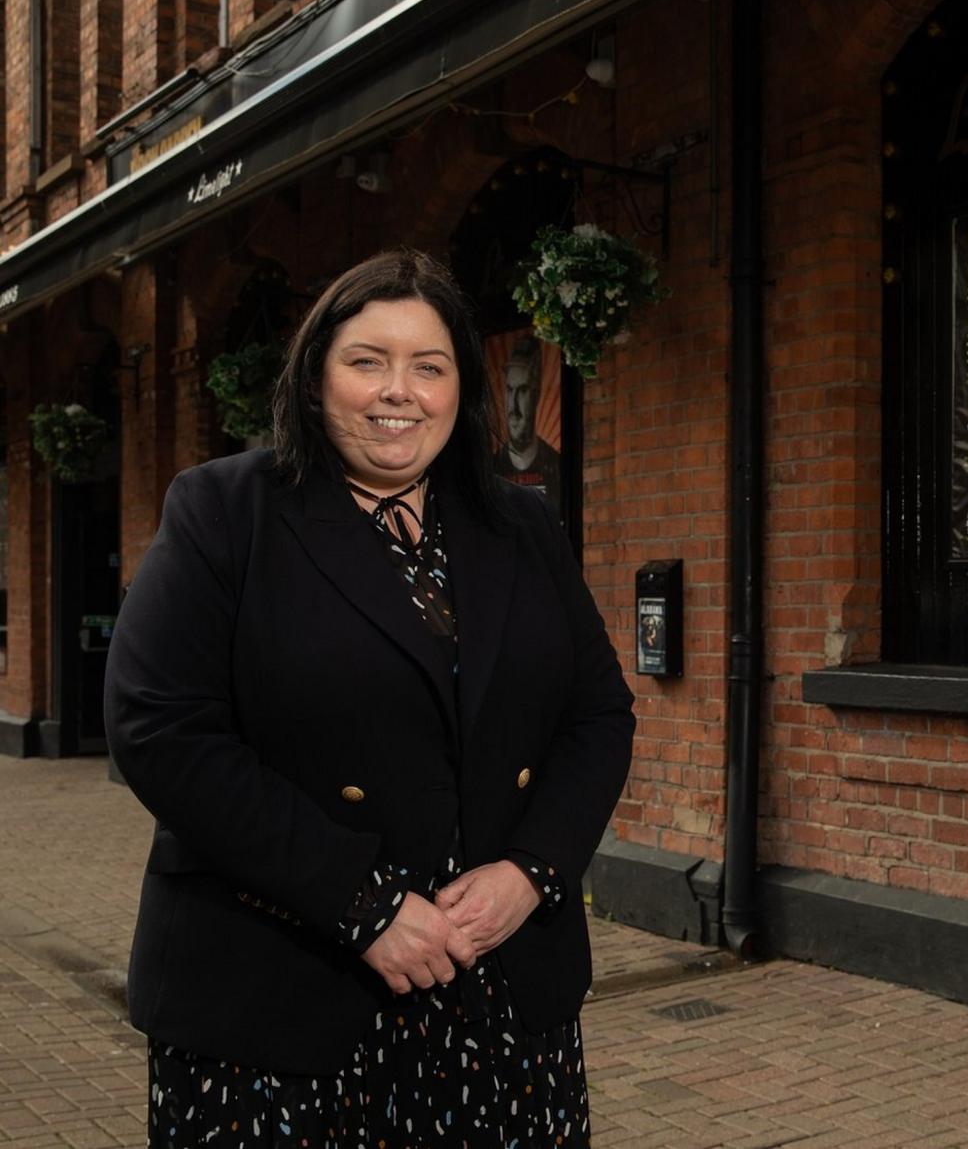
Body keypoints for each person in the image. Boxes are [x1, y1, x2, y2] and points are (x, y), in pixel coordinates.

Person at [105, 250, 636, 1147]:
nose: (400, 392)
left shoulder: (520, 524)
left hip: (496, 999)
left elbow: (599, 715)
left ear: (459, 388)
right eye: (367, 361)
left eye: (429, 366)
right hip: (282, 1000)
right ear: (316, 378)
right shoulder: (225, 510)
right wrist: (364, 903)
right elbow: (160, 728)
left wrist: (533, 873)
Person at [495, 335, 563, 506]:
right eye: (510, 390)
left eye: (523, 390)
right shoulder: (490, 468)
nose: (514, 408)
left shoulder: (556, 466)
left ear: (537, 393)